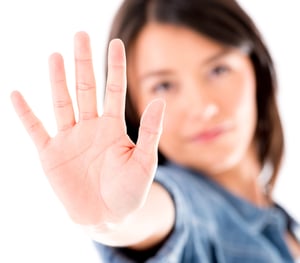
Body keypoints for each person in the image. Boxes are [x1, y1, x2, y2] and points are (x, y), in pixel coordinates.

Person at [10, 0, 300, 262]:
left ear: (257, 71)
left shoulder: (280, 220)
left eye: (219, 70)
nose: (202, 107)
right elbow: (163, 216)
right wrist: (113, 222)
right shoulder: (182, 202)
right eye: (163, 86)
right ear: (134, 105)